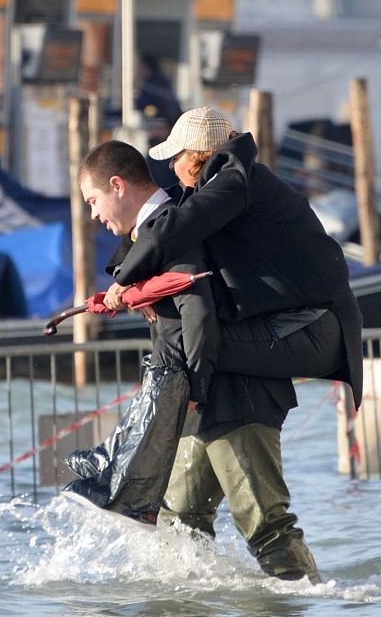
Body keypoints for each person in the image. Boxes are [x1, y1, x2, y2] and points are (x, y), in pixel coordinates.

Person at [78, 141, 321, 582]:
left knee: (265, 526)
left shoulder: (172, 225)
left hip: (235, 397)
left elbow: (199, 312)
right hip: (200, 400)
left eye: (94, 201)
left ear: (117, 185)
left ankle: (314, 602)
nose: (93, 215)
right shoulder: (151, 233)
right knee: (179, 527)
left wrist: (194, 389)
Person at [107, 107, 365, 408]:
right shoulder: (221, 183)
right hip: (294, 322)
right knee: (187, 338)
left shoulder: (235, 183)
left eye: (176, 158)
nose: (172, 167)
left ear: (196, 156)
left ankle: (184, 408)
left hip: (314, 328)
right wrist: (129, 272)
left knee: (182, 339)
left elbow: (171, 230)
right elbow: (161, 217)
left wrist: (125, 282)